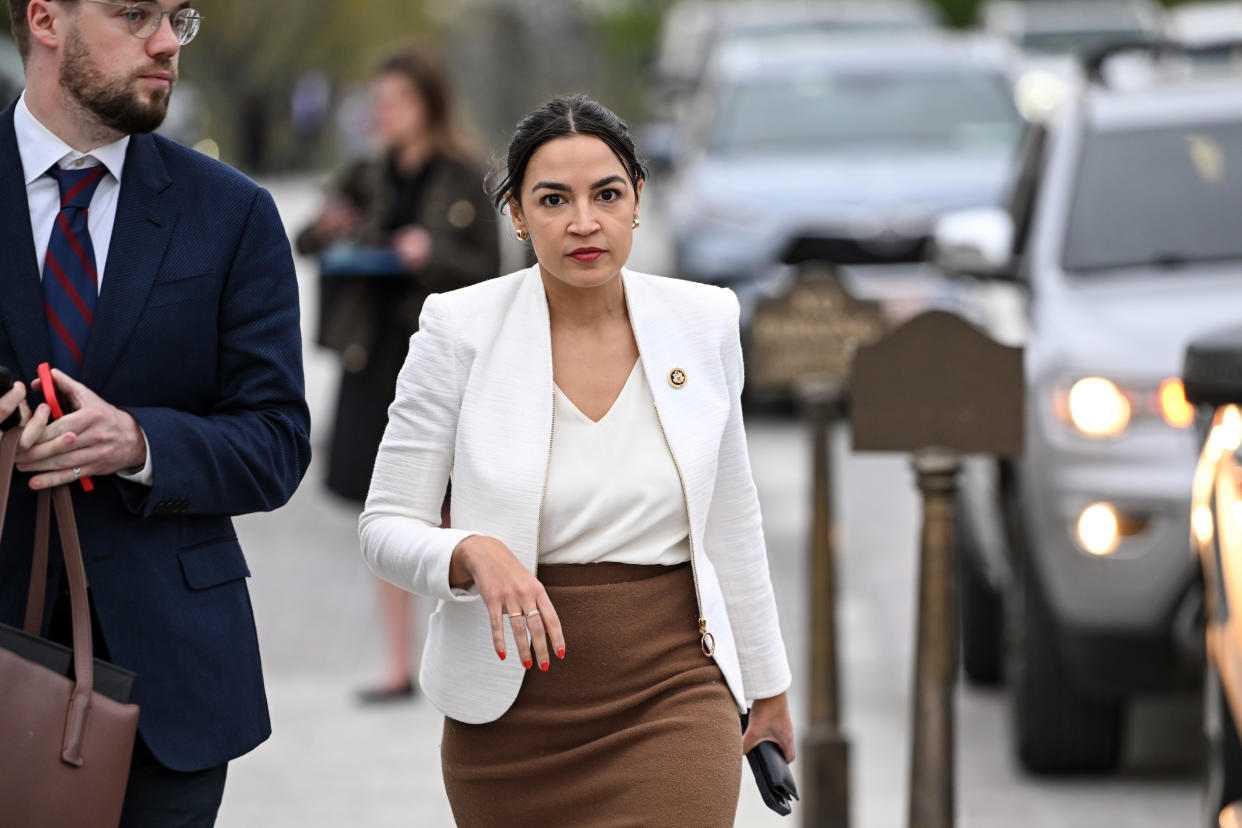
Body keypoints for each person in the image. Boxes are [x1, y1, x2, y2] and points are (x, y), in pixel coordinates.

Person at [359, 95, 795, 826]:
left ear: (637, 202)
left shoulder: (706, 321)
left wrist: (769, 683)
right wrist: (471, 552)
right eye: (553, 200)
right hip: (509, 725)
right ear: (518, 216)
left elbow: (732, 521)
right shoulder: (457, 330)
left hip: (673, 694)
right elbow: (383, 527)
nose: (584, 222)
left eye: (607, 194)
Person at [0, 1, 310, 825]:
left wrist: (138, 440)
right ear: (44, 19)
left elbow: (277, 442)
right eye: (136, 13)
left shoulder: (232, 214)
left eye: (179, 16)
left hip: (167, 689)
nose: (168, 41)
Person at [296, 46, 499, 703]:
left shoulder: (465, 172)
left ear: (429, 104)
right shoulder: (366, 172)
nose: (385, 114)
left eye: (397, 101)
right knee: (381, 508)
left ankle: (455, 653)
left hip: (438, 357)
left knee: (447, 507)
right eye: (379, 101)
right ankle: (396, 665)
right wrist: (333, 225)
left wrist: (429, 251)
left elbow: (492, 272)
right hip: (371, 353)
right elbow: (308, 241)